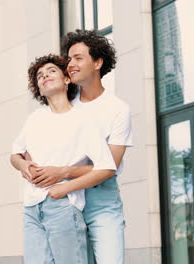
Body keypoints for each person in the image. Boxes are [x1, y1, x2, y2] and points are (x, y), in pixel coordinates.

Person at [29, 30, 133, 264]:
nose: (70, 64)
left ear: (97, 62)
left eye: (78, 58)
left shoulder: (118, 109)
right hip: (63, 201)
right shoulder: (63, 101)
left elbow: (110, 166)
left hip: (101, 201)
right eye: (69, 58)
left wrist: (64, 171)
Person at [10, 54, 117, 264]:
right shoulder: (35, 119)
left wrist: (63, 185)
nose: (45, 76)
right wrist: (22, 164)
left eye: (51, 71)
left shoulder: (84, 119)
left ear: (67, 79)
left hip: (63, 206)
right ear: (39, 89)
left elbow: (106, 168)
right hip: (32, 207)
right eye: (40, 76)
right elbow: (15, 154)